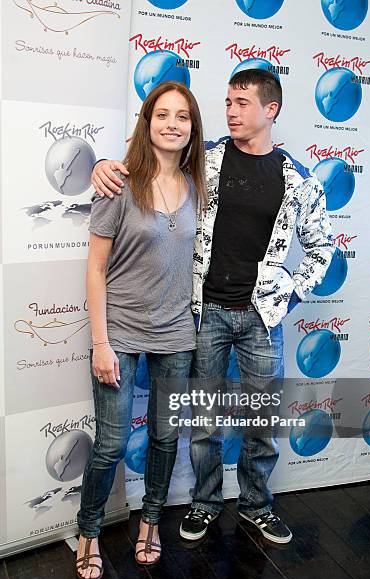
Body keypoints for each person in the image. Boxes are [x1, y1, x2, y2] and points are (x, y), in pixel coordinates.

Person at [92, 69, 334, 546]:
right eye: (227, 102)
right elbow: (148, 146)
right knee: (203, 423)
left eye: (242, 103)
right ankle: (204, 502)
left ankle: (256, 505)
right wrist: (104, 162)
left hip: (261, 320)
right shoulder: (207, 158)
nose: (231, 111)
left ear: (271, 110)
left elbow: (323, 246)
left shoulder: (298, 179)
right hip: (203, 315)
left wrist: (287, 291)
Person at [76, 81, 206, 579]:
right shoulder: (118, 183)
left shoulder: (201, 184)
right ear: (147, 123)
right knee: (110, 444)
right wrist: (101, 343)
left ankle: (150, 521)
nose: (172, 124)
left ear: (193, 128)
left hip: (177, 334)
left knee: (165, 437)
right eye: (163, 115)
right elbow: (95, 268)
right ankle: (88, 530)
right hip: (121, 336)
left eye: (183, 117)